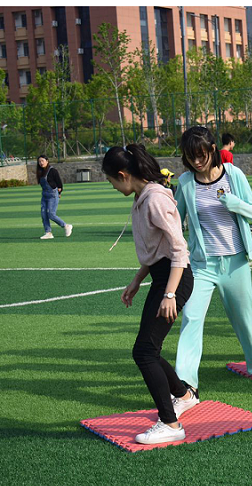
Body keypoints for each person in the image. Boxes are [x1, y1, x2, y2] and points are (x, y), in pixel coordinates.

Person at [102, 144, 196, 444]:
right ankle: (184, 396)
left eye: (111, 181)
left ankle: (170, 424)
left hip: (175, 279)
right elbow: (156, 250)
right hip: (162, 276)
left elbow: (179, 250)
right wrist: (137, 280)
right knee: (148, 349)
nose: (113, 187)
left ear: (123, 175)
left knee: (144, 351)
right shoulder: (142, 197)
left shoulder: (155, 199)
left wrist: (170, 295)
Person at [173, 126, 252, 391]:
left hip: (235, 262)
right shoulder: (186, 182)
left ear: (212, 149)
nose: (197, 161)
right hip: (202, 265)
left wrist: (232, 203)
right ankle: (185, 381)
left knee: (245, 316)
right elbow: (175, 220)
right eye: (191, 157)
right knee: (191, 317)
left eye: (201, 155)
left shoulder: (233, 175)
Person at [37, 155, 73, 240]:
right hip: (44, 196)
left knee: (51, 214)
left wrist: (59, 192)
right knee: (44, 214)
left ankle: (66, 226)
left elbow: (59, 183)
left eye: (42, 161)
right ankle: (48, 233)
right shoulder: (40, 172)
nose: (41, 163)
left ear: (47, 161)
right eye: (39, 161)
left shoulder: (52, 170)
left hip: (52, 195)